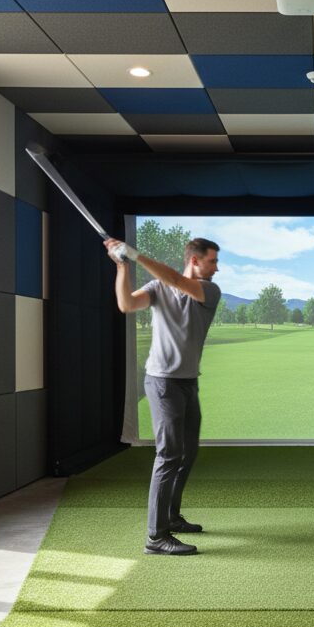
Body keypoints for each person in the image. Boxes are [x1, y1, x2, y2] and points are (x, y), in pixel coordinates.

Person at [105, 236, 221, 556]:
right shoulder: (157, 289)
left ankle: (171, 516)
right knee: (170, 454)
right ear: (195, 260)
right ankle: (156, 536)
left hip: (187, 383)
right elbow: (127, 304)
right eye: (212, 261)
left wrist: (135, 254)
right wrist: (122, 265)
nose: (217, 268)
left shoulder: (208, 290)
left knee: (188, 453)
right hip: (162, 382)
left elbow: (176, 280)